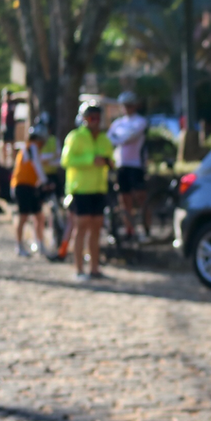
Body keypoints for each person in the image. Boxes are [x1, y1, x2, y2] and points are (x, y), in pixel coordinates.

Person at [61, 101, 114, 281]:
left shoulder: (104, 138)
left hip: (98, 188)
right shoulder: (75, 136)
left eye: (98, 118)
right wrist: (90, 159)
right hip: (81, 189)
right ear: (84, 119)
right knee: (81, 226)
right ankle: (78, 269)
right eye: (92, 118)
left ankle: (94, 268)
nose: (95, 121)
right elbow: (66, 160)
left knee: (97, 228)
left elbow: (111, 158)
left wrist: (109, 162)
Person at [107, 91, 150, 240]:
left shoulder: (140, 121)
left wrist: (119, 138)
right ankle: (129, 230)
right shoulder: (117, 123)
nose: (127, 108)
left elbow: (127, 138)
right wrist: (120, 138)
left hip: (136, 164)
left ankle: (146, 228)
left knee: (141, 197)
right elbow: (110, 139)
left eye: (130, 105)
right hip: (121, 164)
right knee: (124, 199)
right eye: (125, 105)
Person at [11, 125, 49, 257]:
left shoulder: (31, 148)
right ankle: (19, 245)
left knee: (39, 216)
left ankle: (39, 244)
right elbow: (37, 164)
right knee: (23, 216)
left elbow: (40, 160)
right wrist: (44, 181)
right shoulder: (32, 147)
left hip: (30, 185)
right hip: (22, 185)